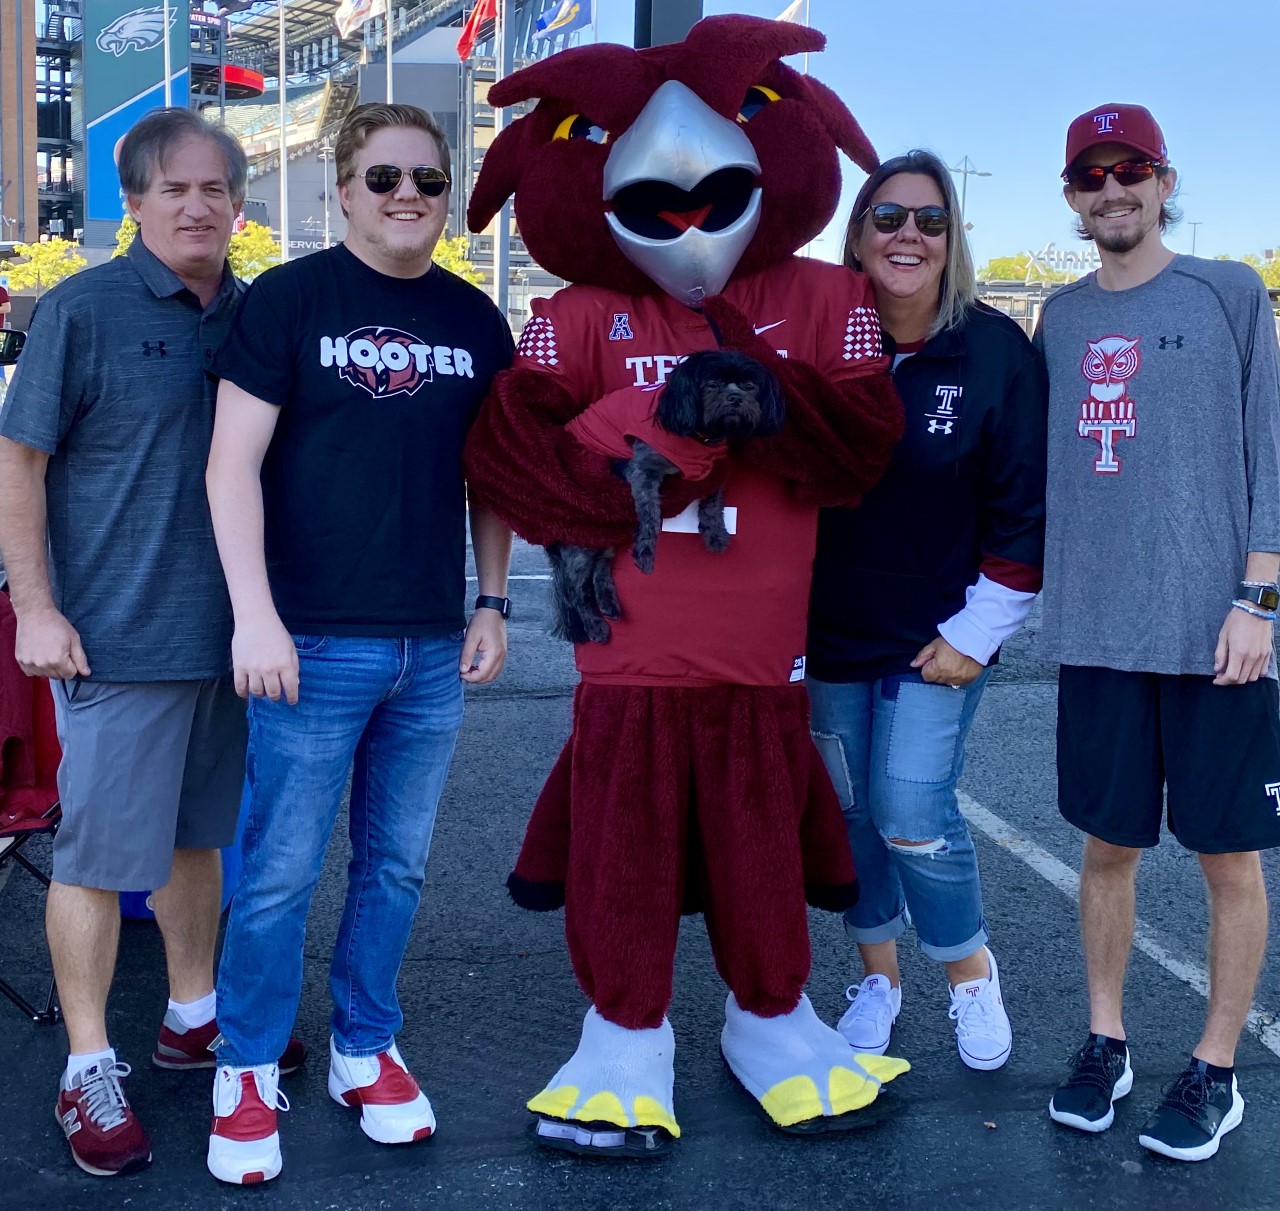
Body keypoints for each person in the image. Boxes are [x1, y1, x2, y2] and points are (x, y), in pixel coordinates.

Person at [203, 102, 514, 1185]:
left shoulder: (477, 321)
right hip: (309, 640)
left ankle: (362, 1045)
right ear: (342, 188)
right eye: (383, 178)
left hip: (429, 645)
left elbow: (494, 477)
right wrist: (255, 613)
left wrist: (492, 600)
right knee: (281, 871)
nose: (407, 197)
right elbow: (227, 466)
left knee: (395, 864)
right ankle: (244, 1066)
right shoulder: (288, 300)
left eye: (427, 179)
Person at [0, 108, 284, 1178]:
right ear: (134, 201)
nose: (198, 206)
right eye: (175, 189)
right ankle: (87, 1065)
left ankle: (193, 1014)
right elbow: (17, 464)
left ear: (238, 203)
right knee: (95, 856)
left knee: (197, 839)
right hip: (115, 638)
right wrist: (36, 606)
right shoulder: (83, 310)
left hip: (232, 642)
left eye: (216, 188)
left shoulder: (259, 315)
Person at [1037, 103, 1280, 1162]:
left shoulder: (1227, 290)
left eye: (1127, 168)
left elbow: (1270, 451)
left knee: (1226, 860)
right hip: (1095, 630)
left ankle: (1214, 1066)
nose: (1110, 189)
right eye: (1089, 175)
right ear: (1070, 197)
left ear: (1160, 176)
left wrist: (1258, 600)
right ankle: (1105, 1039)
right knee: (1105, 848)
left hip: (1211, 633)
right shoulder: (1059, 316)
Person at [806, 149, 1047, 1070]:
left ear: (953, 240)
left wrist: (975, 634)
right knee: (851, 817)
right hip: (827, 635)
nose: (909, 234)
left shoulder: (994, 351)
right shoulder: (824, 338)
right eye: (889, 216)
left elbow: (1025, 509)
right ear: (859, 233)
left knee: (911, 809)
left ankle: (970, 975)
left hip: (939, 638)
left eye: (930, 219)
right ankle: (879, 976)